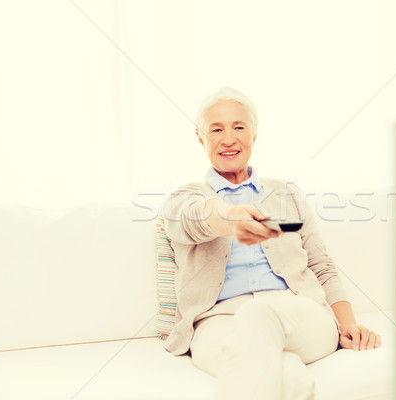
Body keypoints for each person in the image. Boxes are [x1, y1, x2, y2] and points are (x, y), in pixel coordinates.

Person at [161, 87, 381, 399]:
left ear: (254, 134)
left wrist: (348, 324)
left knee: (258, 313)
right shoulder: (184, 198)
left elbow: (322, 265)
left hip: (299, 313)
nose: (228, 139)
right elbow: (194, 218)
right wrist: (232, 217)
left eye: (239, 127)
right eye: (216, 129)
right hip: (218, 322)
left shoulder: (287, 194)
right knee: (288, 377)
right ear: (200, 138)